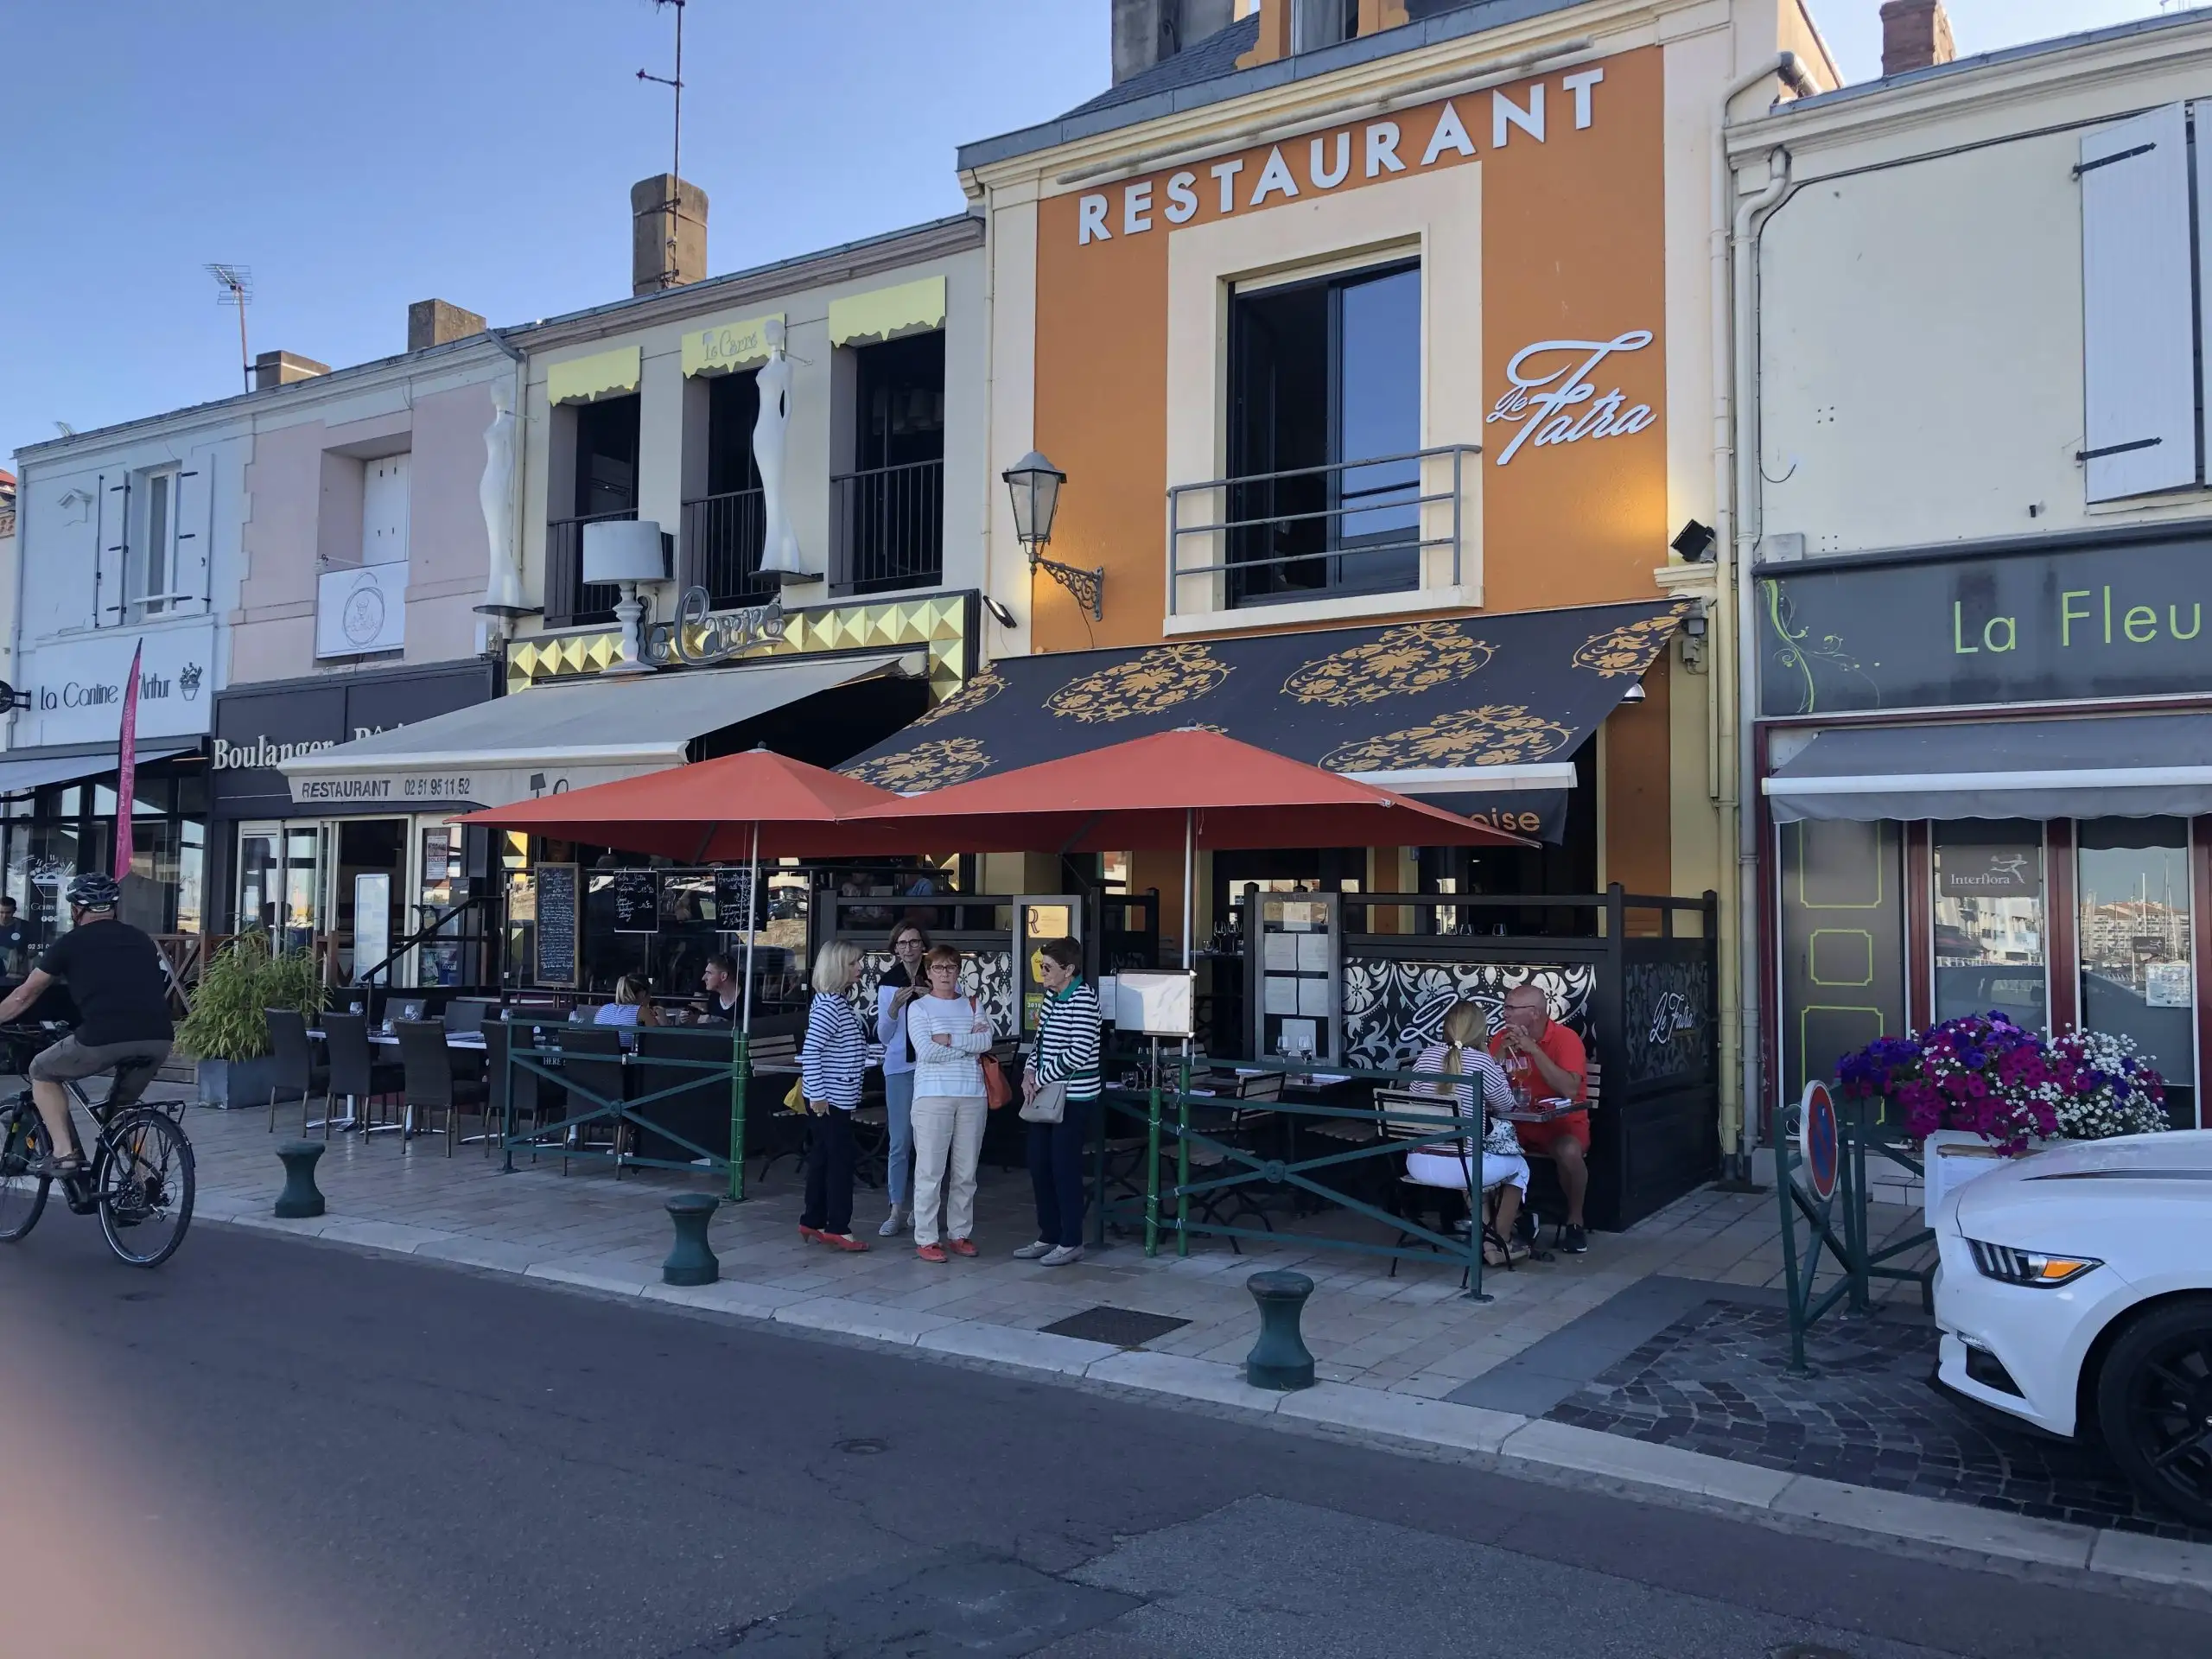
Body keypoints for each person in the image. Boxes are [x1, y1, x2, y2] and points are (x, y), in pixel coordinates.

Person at [0, 872, 174, 1179]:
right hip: (158, 1038)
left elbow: (24, 995)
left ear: (76, 910)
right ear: (113, 908)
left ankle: (65, 1155)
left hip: (104, 1036)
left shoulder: (70, 943)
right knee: (123, 1111)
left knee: (42, 1069)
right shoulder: (140, 939)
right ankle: (140, 1186)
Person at [1408, 1001, 1529, 1267]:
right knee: (1519, 1167)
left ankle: (1485, 1243)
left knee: (1469, 1160)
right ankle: (1501, 1241)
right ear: (1481, 1030)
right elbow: (1507, 1105)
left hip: (1418, 1163)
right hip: (1462, 1166)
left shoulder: (1426, 1056)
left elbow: (1415, 1097)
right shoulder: (1483, 1062)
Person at [902, 944, 993, 1263]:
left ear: (958, 971)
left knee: (966, 1171)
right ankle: (926, 1237)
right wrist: (968, 1046)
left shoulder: (972, 1003)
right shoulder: (919, 1008)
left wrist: (951, 1040)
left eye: (951, 968)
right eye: (939, 968)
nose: (945, 974)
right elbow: (925, 1052)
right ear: (928, 973)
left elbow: (986, 1042)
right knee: (930, 1170)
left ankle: (960, 1233)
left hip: (972, 1094)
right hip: (932, 1095)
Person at [1016, 937, 1099, 1267]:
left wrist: (1041, 1077)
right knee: (1039, 1164)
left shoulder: (1084, 999)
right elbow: (1039, 1040)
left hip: (1075, 1097)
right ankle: (1048, 1234)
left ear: (1069, 969)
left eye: (1048, 967)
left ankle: (1071, 1240)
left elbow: (1079, 1051)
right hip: (1045, 1094)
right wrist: (1028, 1072)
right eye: (1041, 965)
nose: (1043, 972)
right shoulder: (1051, 997)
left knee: (1065, 1168)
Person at [1491, 983, 1592, 1253]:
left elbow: (1570, 1089)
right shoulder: (1502, 1038)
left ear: (1534, 1013)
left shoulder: (1565, 1038)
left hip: (1560, 1124)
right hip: (1515, 1124)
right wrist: (1500, 1055)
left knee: (1570, 1151)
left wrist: (1533, 1050)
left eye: (1511, 1008)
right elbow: (1487, 1084)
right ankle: (1518, 1219)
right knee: (1484, 1146)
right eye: (1506, 1006)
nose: (1505, 1013)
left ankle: (1575, 1221)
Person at [798, 938, 871, 1252]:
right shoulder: (830, 1006)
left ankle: (813, 1218)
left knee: (823, 1158)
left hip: (834, 1096)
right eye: (853, 963)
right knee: (840, 1161)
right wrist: (817, 1095)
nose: (859, 968)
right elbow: (811, 1051)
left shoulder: (833, 1002)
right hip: (830, 1099)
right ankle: (838, 1226)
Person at [874, 921, 929, 1236]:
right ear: (895, 948)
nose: (909, 948)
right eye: (903, 943)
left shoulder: (936, 974)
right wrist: (894, 1008)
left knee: (928, 1142)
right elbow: (883, 1035)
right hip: (899, 1067)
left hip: (931, 1067)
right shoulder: (888, 982)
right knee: (900, 1141)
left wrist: (930, 998)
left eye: (914, 942)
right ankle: (896, 1207)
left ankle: (922, 1207)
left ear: (923, 945)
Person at [594, 975, 662, 1027]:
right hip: (629, 1045)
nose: (650, 998)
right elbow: (660, 1039)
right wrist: (663, 1019)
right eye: (650, 994)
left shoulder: (603, 1009)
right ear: (643, 994)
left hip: (601, 1045)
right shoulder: (642, 1012)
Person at [696, 952, 743, 1025]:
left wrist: (716, 1022)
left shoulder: (749, 1003)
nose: (704, 978)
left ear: (724, 976)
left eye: (709, 973)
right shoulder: (713, 999)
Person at [0, 895, 29, 980]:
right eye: (1, 912)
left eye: (8, 913)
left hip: (16, 974)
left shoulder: (25, 926)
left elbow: (33, 951)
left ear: (14, 911)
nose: (4, 916)